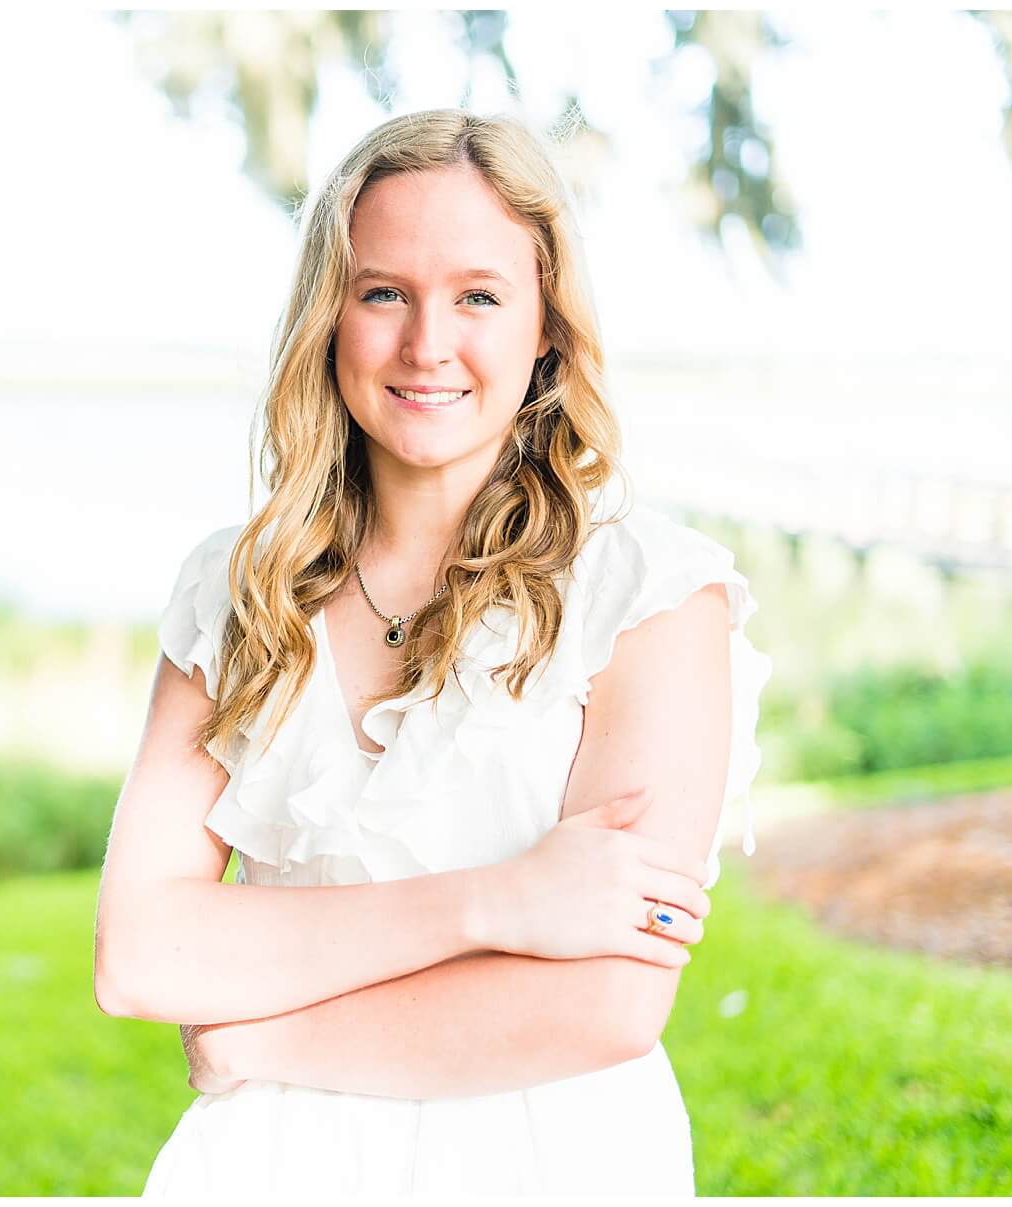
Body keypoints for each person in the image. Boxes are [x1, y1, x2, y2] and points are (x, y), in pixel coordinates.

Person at [92, 108, 771, 1196]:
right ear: (330, 314)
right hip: (268, 1169)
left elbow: (604, 1004)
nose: (426, 345)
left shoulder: (651, 594)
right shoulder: (238, 591)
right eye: (383, 293)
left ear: (546, 324)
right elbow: (141, 952)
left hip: (551, 1164)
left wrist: (258, 1039)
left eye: (478, 296)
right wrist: (497, 905)